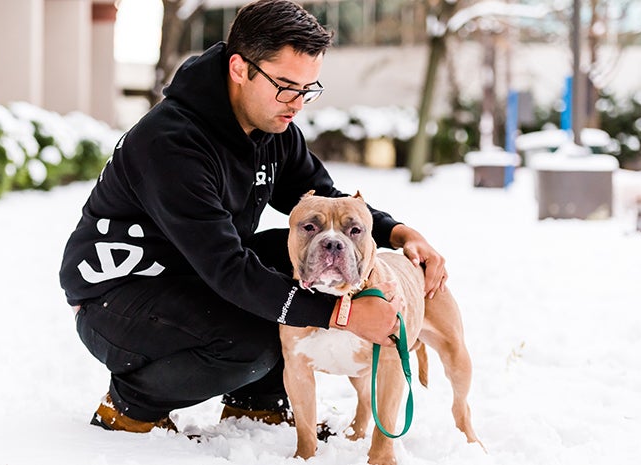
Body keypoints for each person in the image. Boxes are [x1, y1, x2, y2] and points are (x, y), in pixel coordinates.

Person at [59, 0, 448, 433]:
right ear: (240, 69)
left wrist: (399, 232)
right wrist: (345, 317)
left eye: (307, 88)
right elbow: (228, 269)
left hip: (194, 276)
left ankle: (255, 404)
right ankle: (131, 403)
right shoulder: (171, 144)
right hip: (118, 298)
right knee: (257, 338)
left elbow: (324, 202)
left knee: (299, 254)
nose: (298, 103)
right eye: (286, 85)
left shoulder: (273, 128)